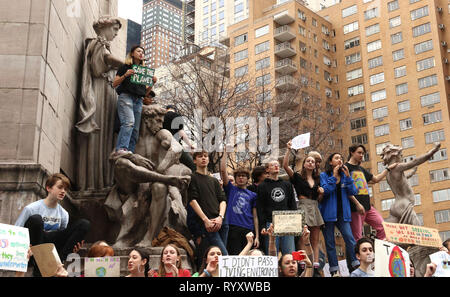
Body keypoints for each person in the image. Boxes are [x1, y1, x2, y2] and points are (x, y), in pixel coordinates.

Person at [75, 17, 123, 191]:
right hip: (99, 92)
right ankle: (92, 183)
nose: (116, 33)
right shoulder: (96, 44)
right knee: (98, 135)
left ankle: (103, 180)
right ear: (104, 27)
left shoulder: (103, 46)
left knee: (106, 137)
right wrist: (129, 65)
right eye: (115, 29)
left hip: (108, 93)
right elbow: (103, 63)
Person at [14, 173, 90, 277]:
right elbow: (16, 231)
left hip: (51, 249)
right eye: (60, 187)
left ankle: (59, 263)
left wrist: (72, 244)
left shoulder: (64, 214)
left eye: (65, 189)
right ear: (48, 188)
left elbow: (62, 238)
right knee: (36, 219)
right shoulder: (31, 208)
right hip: (34, 247)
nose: (63, 191)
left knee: (84, 224)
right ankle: (39, 264)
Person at [283, 141, 324, 276]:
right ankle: (301, 261)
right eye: (308, 161)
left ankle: (315, 263)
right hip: (302, 206)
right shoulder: (298, 177)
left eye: (313, 161)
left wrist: (321, 194)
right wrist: (288, 150)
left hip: (314, 206)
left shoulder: (318, 179)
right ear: (305, 163)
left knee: (315, 238)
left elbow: (318, 199)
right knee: (303, 236)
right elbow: (285, 166)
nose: (311, 163)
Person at [345, 144, 397, 241]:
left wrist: (388, 169)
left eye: (363, 154)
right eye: (359, 153)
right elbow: (346, 190)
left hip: (368, 207)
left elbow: (376, 179)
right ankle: (360, 254)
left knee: (383, 227)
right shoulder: (346, 168)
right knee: (357, 236)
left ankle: (378, 248)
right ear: (352, 152)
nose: (361, 155)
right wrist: (357, 204)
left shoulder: (361, 169)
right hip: (355, 208)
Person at [112, 45, 157, 157]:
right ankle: (121, 148)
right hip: (126, 97)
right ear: (132, 53)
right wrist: (125, 75)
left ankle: (130, 151)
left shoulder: (144, 72)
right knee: (128, 122)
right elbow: (114, 83)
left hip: (138, 101)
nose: (141, 53)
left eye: (143, 52)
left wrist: (152, 83)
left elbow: (145, 93)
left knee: (135, 130)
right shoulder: (125, 67)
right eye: (138, 51)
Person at [320, 153, 360, 277]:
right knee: (330, 243)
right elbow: (326, 191)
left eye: (341, 158)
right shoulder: (324, 175)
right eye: (337, 158)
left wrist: (348, 177)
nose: (340, 160)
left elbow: (353, 191)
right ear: (331, 162)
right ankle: (334, 270)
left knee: (350, 239)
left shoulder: (345, 176)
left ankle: (355, 264)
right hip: (328, 214)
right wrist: (334, 176)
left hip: (343, 214)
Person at [188, 151, 228, 256]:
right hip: (208, 223)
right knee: (224, 255)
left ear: (209, 160)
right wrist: (205, 220)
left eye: (205, 156)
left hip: (221, 222)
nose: (203, 158)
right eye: (200, 156)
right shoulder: (192, 178)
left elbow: (223, 200)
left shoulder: (214, 180)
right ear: (194, 160)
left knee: (219, 257)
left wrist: (221, 217)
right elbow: (192, 200)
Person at [220, 149, 259, 255]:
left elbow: (255, 216)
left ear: (247, 179)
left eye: (243, 176)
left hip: (248, 228)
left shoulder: (253, 195)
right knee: (234, 256)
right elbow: (223, 171)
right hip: (233, 226)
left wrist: (257, 236)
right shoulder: (231, 189)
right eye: (238, 176)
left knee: (246, 257)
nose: (241, 178)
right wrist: (225, 153)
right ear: (235, 178)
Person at [256, 159, 297, 255]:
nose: (276, 166)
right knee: (271, 254)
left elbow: (292, 205)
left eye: (278, 165)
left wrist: (296, 223)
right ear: (267, 169)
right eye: (273, 165)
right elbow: (260, 208)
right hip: (271, 223)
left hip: (287, 222)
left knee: (290, 253)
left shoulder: (287, 185)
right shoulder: (262, 186)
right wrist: (262, 226)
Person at [163, 105, 196, 172]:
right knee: (192, 165)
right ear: (174, 110)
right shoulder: (176, 116)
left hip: (161, 145)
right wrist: (190, 145)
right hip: (174, 146)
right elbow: (181, 132)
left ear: (166, 109)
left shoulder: (161, 116)